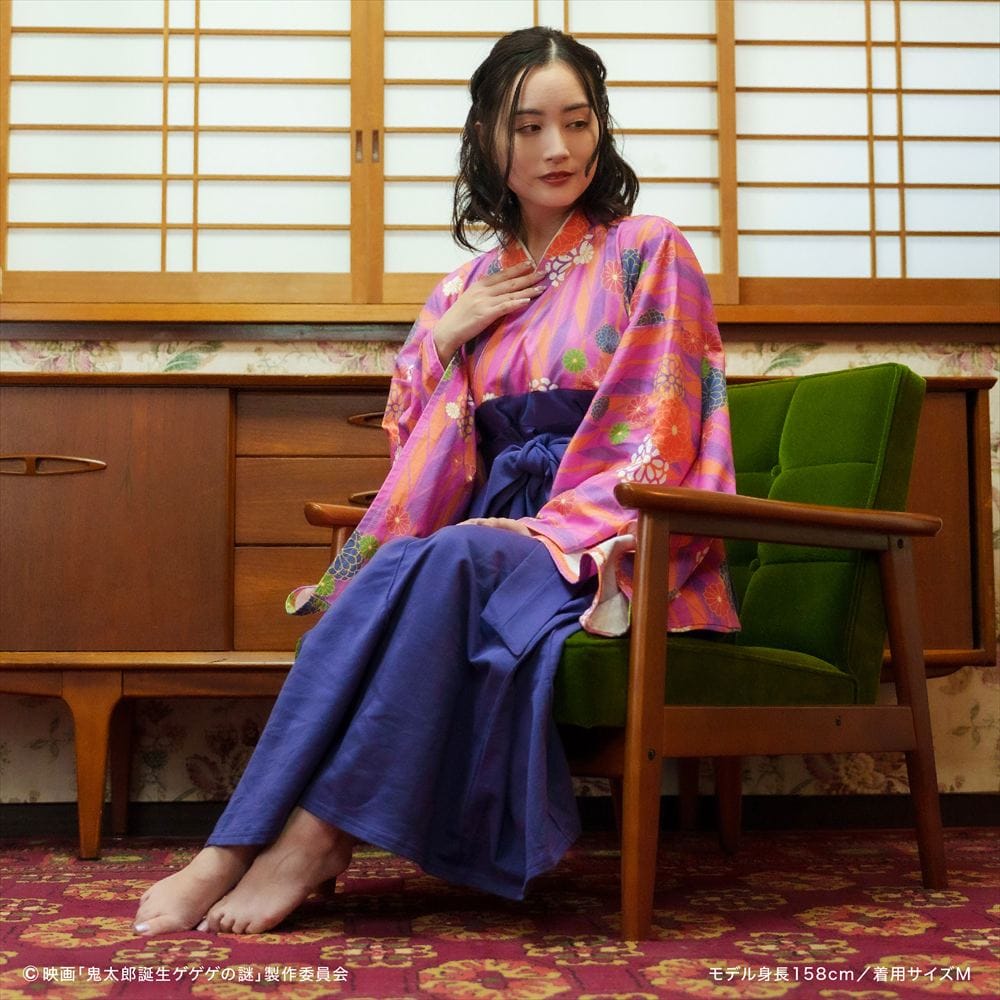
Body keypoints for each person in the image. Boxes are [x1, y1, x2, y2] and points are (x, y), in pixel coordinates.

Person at [134, 25, 739, 937]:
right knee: (394, 568)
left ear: (600, 130)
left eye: (577, 123)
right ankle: (231, 845)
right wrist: (447, 340)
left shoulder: (646, 249)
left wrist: (551, 529)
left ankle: (310, 840)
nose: (557, 147)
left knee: (452, 560)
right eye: (528, 126)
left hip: (608, 536)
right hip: (485, 523)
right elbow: (419, 447)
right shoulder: (463, 286)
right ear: (488, 139)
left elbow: (661, 419)